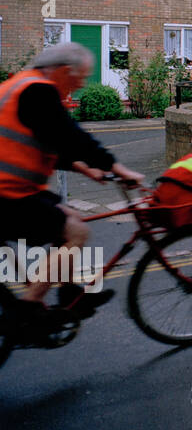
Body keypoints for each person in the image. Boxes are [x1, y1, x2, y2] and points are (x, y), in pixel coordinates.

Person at [0, 42, 145, 328]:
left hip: (13, 191)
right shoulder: (38, 92)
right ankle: (30, 311)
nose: (79, 86)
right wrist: (116, 167)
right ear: (65, 71)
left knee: (71, 217)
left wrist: (89, 170)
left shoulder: (17, 86)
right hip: (7, 196)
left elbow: (47, 140)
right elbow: (71, 136)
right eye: (80, 78)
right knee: (77, 232)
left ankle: (68, 294)